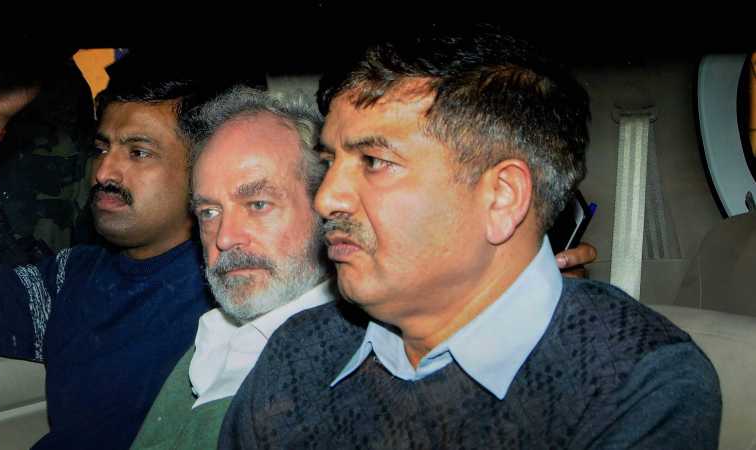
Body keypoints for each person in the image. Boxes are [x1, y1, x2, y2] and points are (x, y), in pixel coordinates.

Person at [221, 29, 722, 449]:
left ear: (502, 197)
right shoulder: (298, 350)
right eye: (330, 162)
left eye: (374, 162)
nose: (327, 198)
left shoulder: (635, 380)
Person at [0, 58, 220, 449]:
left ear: (207, 170)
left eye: (139, 152)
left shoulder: (225, 294)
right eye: (101, 148)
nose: (102, 172)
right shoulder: (73, 275)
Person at [130, 87, 332, 449]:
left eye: (257, 204)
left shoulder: (337, 376)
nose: (224, 237)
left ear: (326, 208)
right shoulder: (213, 337)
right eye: (209, 212)